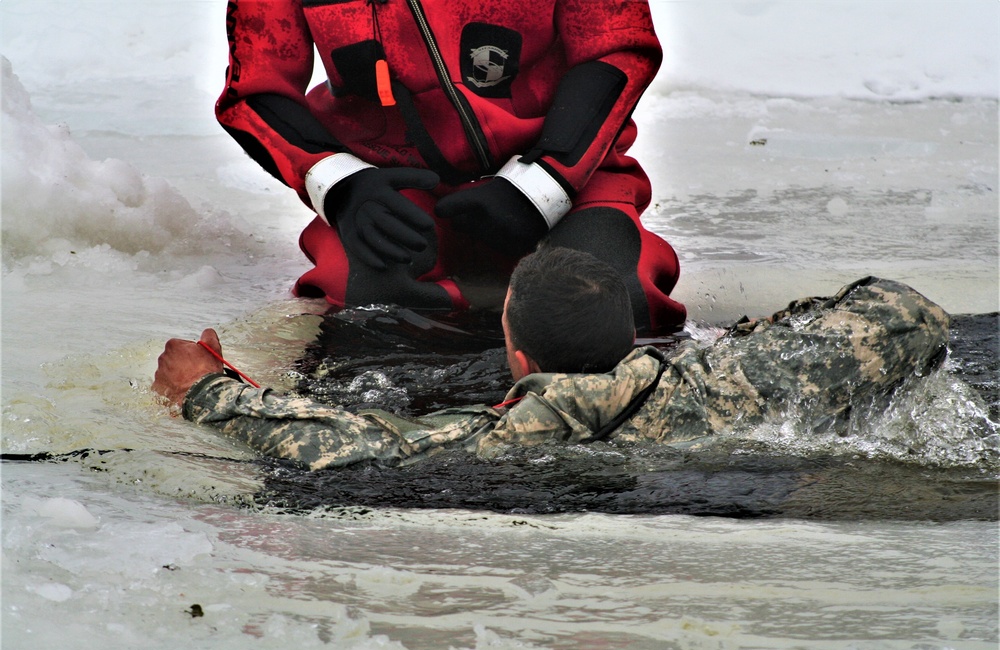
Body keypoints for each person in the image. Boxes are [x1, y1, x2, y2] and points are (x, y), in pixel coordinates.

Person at [153, 248, 950, 471]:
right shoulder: (729, 384)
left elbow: (370, 448)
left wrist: (215, 393)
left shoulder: (525, 431)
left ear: (518, 354)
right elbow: (910, 313)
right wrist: (749, 339)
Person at [215, 0, 686, 333]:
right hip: (395, 182)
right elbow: (255, 90)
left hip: (567, 170)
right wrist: (342, 184)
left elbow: (616, 48)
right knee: (366, 309)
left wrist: (544, 183)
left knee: (615, 305)